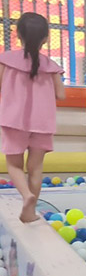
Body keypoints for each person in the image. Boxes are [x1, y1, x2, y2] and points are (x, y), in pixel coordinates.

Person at [0, 13, 65, 222]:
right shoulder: (51, 66)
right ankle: (30, 211)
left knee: (14, 165)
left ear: (18, 34)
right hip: (42, 122)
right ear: (45, 38)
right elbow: (61, 94)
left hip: (13, 121)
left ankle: (26, 195)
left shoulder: (6, 60)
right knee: (35, 168)